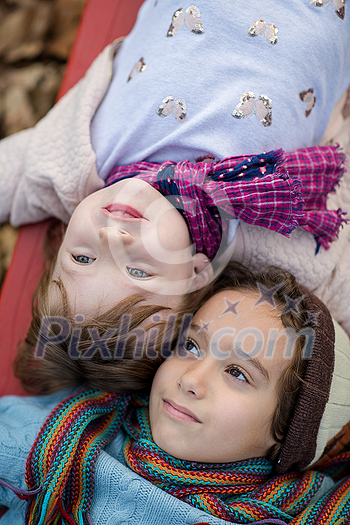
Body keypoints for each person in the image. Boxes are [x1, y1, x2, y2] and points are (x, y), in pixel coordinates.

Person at [0, 0, 349, 333]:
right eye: (138, 271)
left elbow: (10, 173)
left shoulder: (65, 170)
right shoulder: (261, 227)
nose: (110, 237)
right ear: (195, 273)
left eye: (82, 259)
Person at [1, 264, 350, 525]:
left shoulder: (309, 511)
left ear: (287, 434)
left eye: (237, 373)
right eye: (191, 346)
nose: (190, 379)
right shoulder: (64, 434)